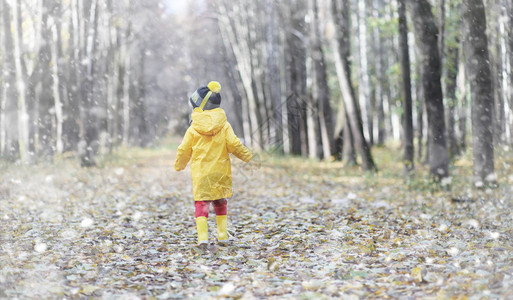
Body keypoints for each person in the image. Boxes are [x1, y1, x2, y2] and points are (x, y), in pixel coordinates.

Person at [174, 81, 252, 247]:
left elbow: (183, 149)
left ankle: (203, 238)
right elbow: (235, 145)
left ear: (199, 107)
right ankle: (222, 235)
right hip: (220, 172)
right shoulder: (224, 125)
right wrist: (247, 156)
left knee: (201, 203)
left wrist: (179, 165)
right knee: (220, 201)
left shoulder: (193, 128)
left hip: (201, 173)